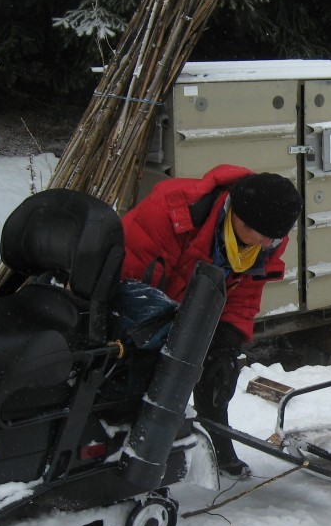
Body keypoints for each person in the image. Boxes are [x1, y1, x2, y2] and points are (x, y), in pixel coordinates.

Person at [121, 164, 303, 479]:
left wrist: (226, 346)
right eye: (258, 236)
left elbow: (243, 297)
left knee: (217, 373)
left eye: (272, 241)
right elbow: (128, 279)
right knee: (140, 379)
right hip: (137, 302)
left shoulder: (264, 242)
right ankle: (132, 455)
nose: (263, 246)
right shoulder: (172, 215)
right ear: (236, 214)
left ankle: (218, 441)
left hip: (192, 306)